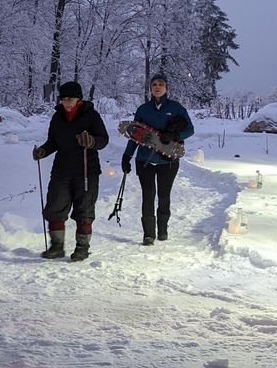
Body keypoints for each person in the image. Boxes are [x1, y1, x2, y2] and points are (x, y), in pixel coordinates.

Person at [32, 80, 109, 261]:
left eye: (70, 98)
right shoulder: (57, 117)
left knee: (84, 210)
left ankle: (82, 247)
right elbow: (53, 141)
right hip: (62, 169)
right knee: (54, 207)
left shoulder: (91, 116)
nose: (66, 102)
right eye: (63, 99)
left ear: (79, 99)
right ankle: (57, 246)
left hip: (86, 170)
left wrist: (91, 141)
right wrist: (43, 151)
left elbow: (103, 140)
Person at [121, 73, 194, 245]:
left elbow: (190, 130)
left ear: (166, 87)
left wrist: (174, 134)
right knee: (148, 195)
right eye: (154, 84)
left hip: (167, 161)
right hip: (144, 160)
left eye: (161, 84)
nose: (157, 87)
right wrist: (127, 156)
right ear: (151, 88)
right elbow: (135, 134)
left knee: (163, 195)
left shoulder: (176, 108)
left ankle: (162, 229)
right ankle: (148, 234)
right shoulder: (143, 109)